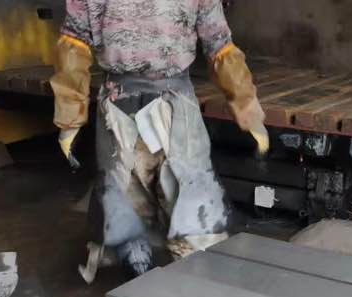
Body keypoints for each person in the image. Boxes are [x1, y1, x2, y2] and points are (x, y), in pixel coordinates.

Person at [50, 0, 268, 282]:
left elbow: (220, 46)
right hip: (130, 112)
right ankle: (145, 276)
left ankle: (178, 277)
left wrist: (249, 111)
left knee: (185, 200)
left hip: (162, 110)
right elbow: (73, 45)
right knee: (129, 202)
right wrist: (69, 120)